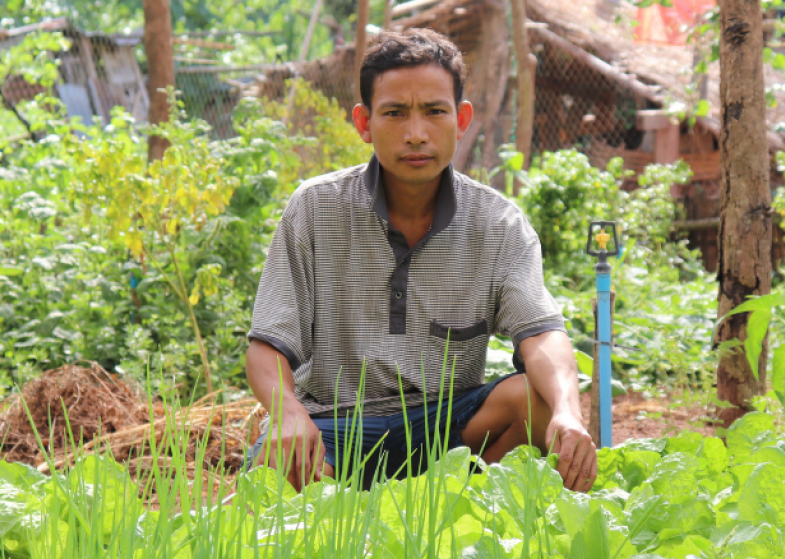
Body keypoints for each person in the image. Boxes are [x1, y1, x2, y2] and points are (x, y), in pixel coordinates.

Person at [243, 28, 596, 493]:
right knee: (276, 466)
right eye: (394, 113)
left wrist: (570, 412)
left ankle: (460, 508)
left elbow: (543, 334)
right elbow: (266, 344)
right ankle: (343, 518)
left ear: (461, 118)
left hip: (449, 428)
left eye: (434, 112)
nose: (415, 133)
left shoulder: (498, 223)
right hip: (337, 425)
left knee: (540, 404)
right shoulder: (315, 207)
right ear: (364, 123)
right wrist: (288, 414)